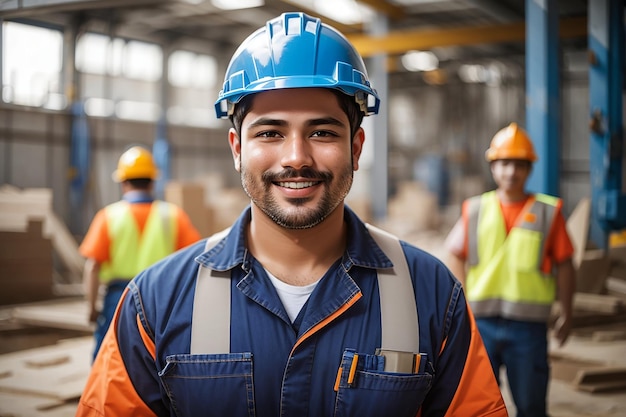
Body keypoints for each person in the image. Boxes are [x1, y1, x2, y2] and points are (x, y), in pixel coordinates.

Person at [76, 13, 507, 417]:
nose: (297, 157)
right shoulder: (154, 303)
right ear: (237, 148)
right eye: (270, 132)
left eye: (322, 132)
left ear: (356, 148)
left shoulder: (431, 296)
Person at [445, 123, 576, 417]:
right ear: (493, 167)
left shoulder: (548, 212)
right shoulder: (475, 209)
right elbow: (455, 255)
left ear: (529, 169)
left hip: (528, 329)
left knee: (530, 405)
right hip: (480, 325)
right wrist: (460, 307)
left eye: (518, 165)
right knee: (476, 406)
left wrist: (568, 312)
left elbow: (566, 264)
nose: (511, 172)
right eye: (504, 163)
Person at [79, 145, 201, 361]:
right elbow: (194, 263)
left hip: (119, 296)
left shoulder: (108, 216)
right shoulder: (173, 215)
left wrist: (91, 307)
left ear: (124, 183)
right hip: (162, 297)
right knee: (159, 355)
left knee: (109, 355)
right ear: (153, 181)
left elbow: (92, 266)